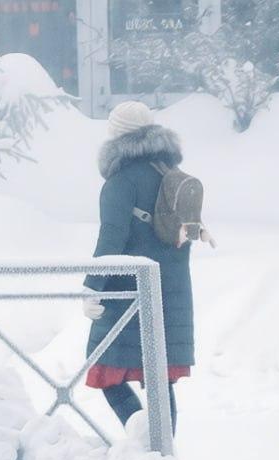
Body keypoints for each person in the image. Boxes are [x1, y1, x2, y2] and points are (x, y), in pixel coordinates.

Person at [83, 102, 195, 433]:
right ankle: (163, 451)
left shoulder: (121, 182)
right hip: (172, 295)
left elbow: (111, 240)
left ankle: (143, 442)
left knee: (102, 368)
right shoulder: (173, 177)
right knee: (160, 381)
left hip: (126, 295)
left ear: (116, 134)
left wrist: (92, 288)